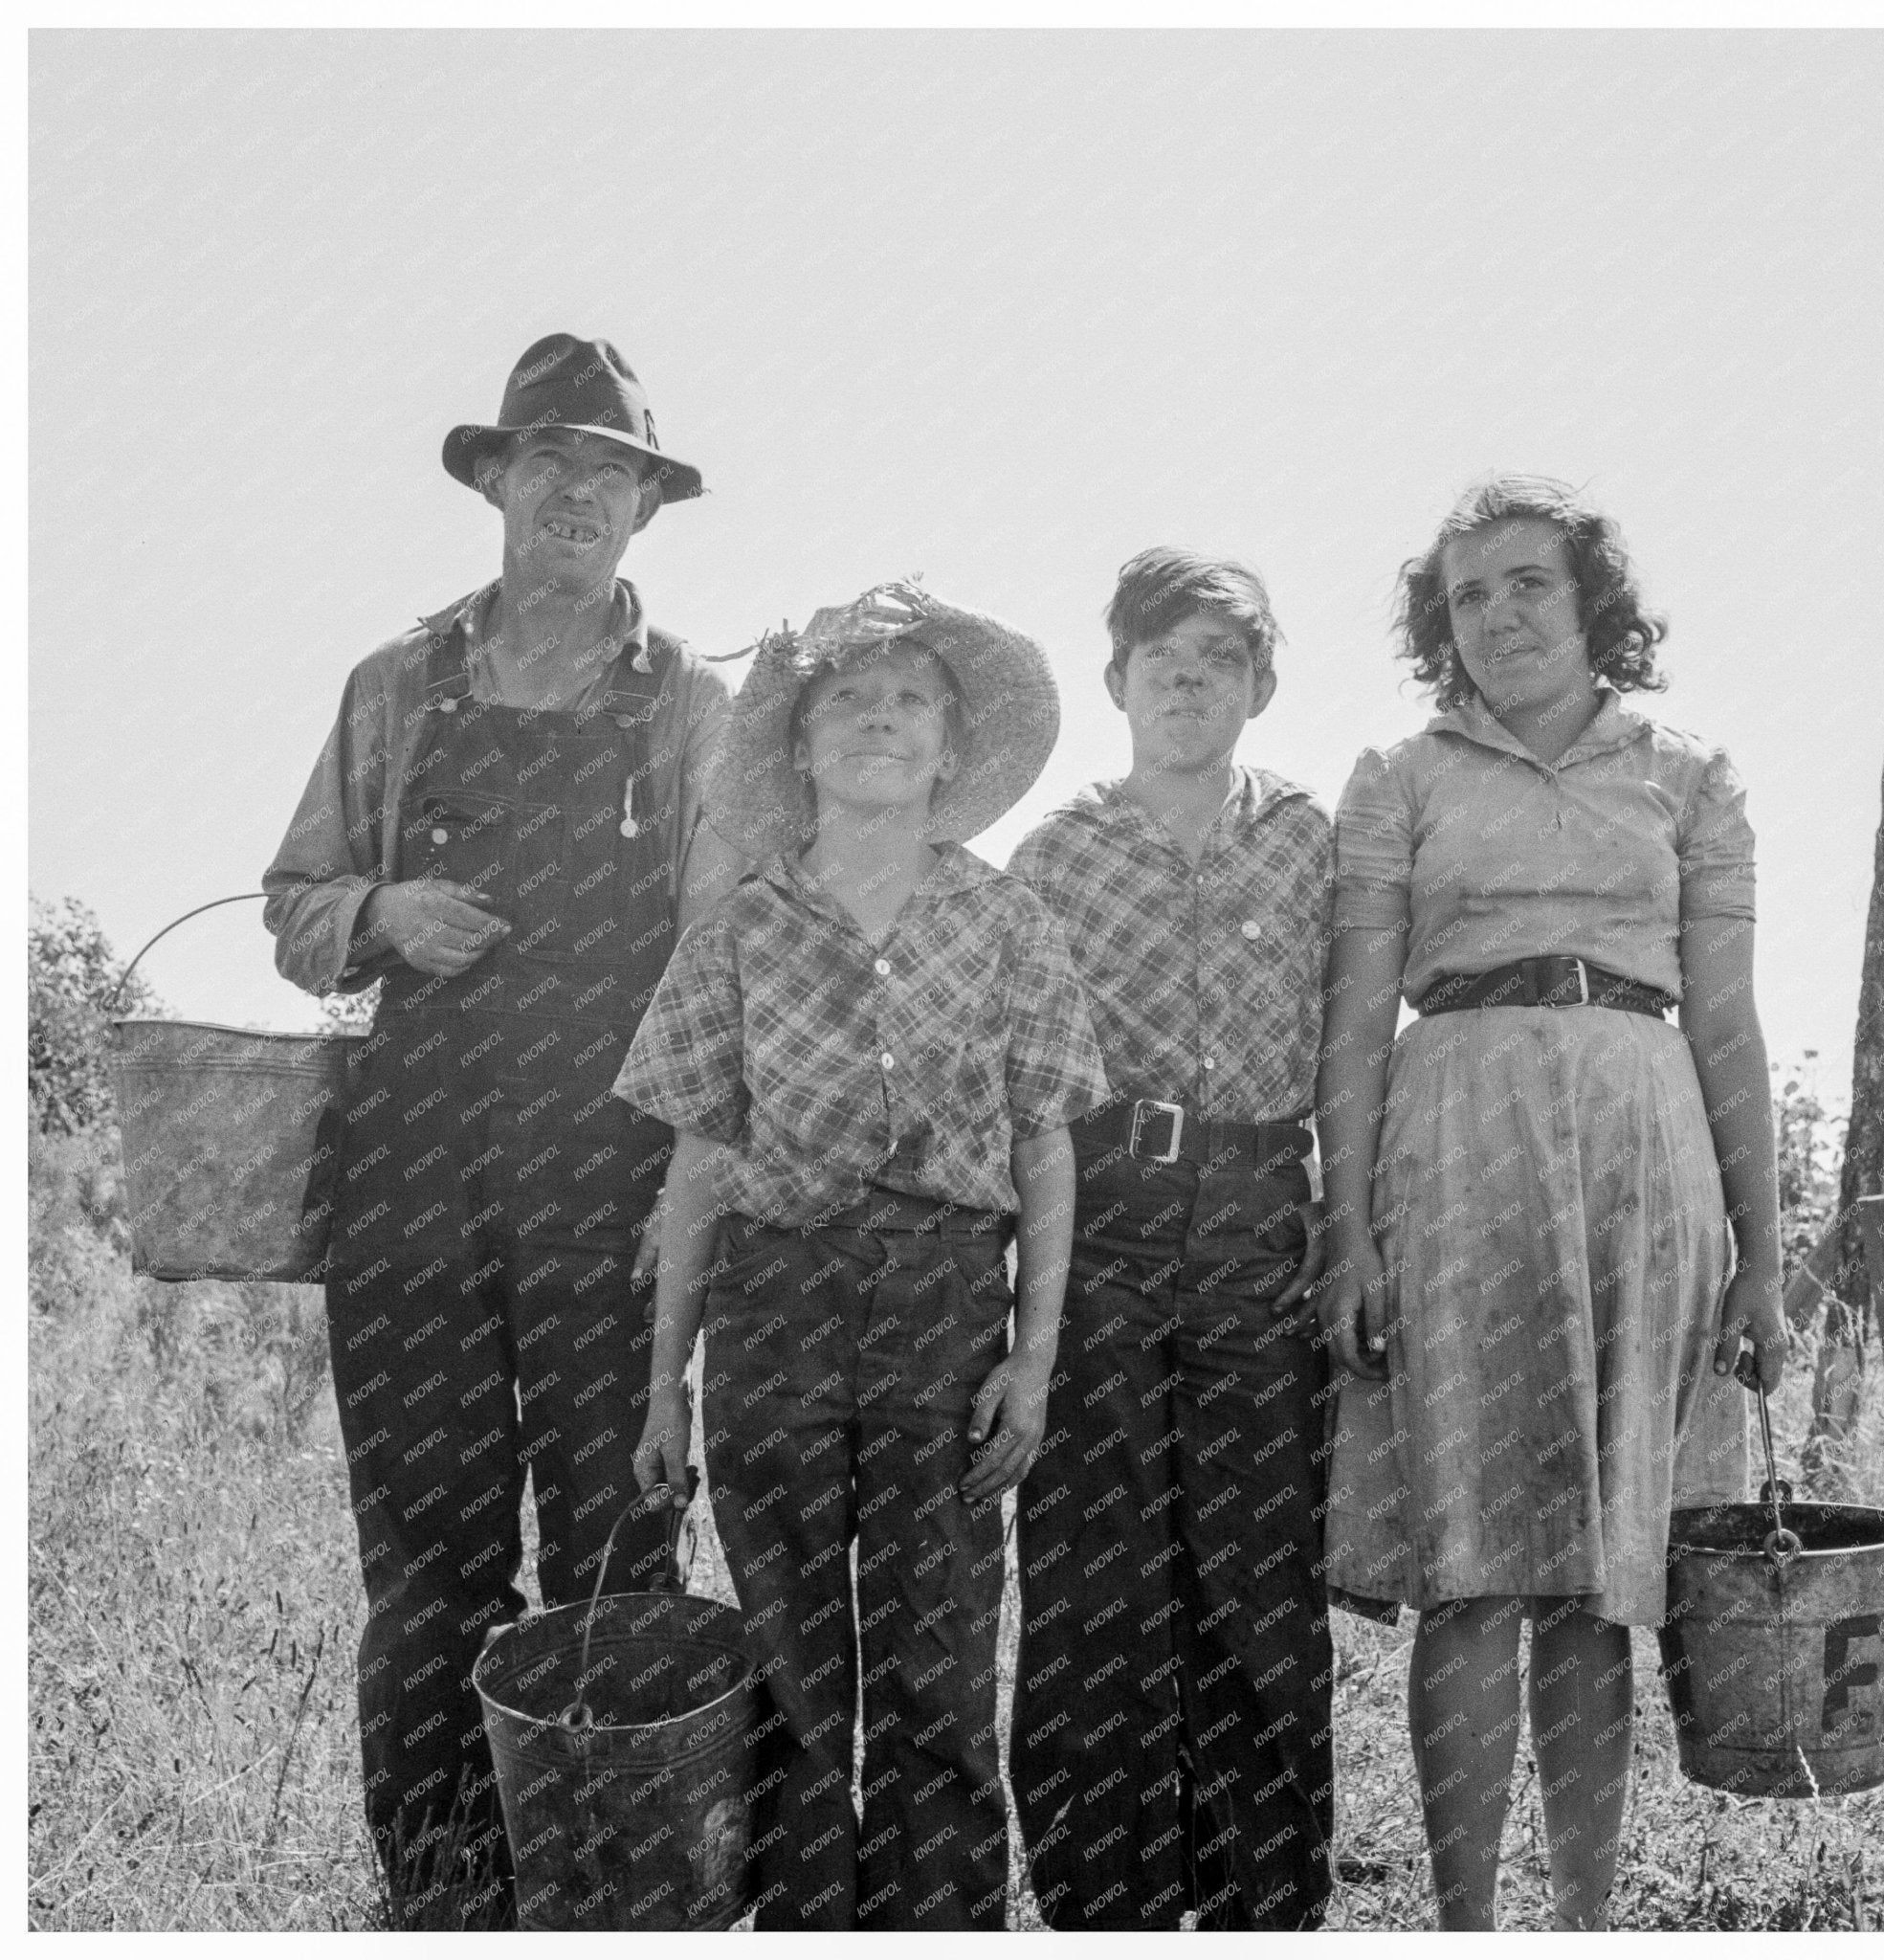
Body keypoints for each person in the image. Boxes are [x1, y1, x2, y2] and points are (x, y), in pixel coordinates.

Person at [262, 334, 743, 1926]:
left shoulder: (685, 704)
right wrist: (382, 909)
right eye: (550, 464)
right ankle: (447, 1901)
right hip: (407, 1164)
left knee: (613, 1539)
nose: (577, 494)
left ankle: (618, 1898)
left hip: (605, 1168)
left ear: (643, 509)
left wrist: (686, 1174)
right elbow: (292, 902)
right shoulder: (395, 685)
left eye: (609, 474)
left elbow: (718, 941)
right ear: (497, 481)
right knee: (428, 1557)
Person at [1316, 476, 1788, 1930]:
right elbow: (1348, 1018)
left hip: (1644, 1150)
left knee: (1603, 1575)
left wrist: (1764, 1251)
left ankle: (1580, 1925)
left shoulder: (1687, 772)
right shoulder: (1401, 776)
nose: (1500, 614)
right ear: (1437, 627)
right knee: (1470, 1569)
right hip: (1450, 1140)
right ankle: (1468, 1926)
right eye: (1468, 595)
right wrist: (1347, 1226)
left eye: (1528, 583)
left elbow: (1726, 1021)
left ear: (1591, 600)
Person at [612, 582, 1108, 1930]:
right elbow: (702, 1158)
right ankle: (807, 1923)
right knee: (790, 1658)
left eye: (910, 703)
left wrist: (1036, 1356)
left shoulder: (1009, 924)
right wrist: (668, 1386)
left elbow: (1045, 1145)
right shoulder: (740, 929)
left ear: (952, 750)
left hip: (947, 1310)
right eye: (849, 701)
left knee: (941, 1657)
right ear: (802, 745)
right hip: (774, 1309)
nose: (879, 721)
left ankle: (939, 1927)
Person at [1006, 547, 1338, 1929]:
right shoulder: (1059, 852)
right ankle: (1107, 1908)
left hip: (1264, 1215)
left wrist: (1346, 1223)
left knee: (1258, 1586)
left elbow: (1355, 1037)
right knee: (1096, 1585)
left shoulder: (1314, 838)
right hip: (1107, 1218)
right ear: (1117, 685)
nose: (1189, 681)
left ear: (1261, 685)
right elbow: (1021, 1084)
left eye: (1218, 659)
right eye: (1163, 660)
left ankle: (1263, 1906)